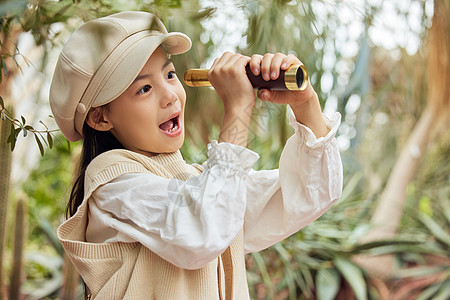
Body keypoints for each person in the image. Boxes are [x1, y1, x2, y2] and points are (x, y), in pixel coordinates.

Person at [50, 11, 343, 300]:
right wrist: (238, 107)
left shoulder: (203, 184)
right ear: (100, 118)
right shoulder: (112, 186)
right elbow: (204, 231)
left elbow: (308, 193)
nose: (171, 95)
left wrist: (305, 104)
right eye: (144, 88)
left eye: (170, 74)